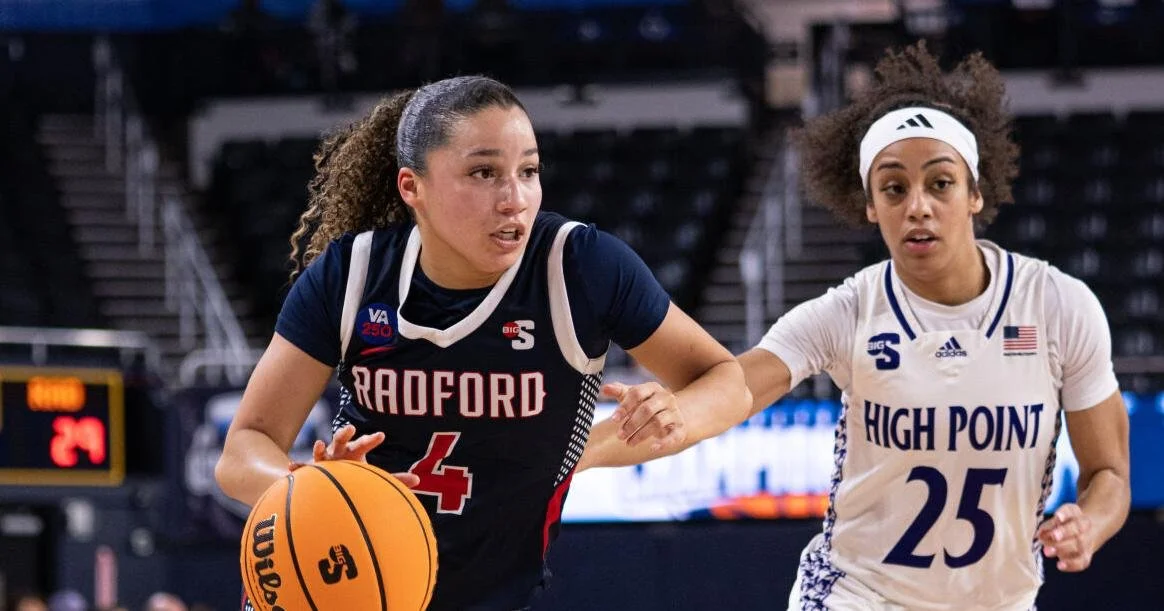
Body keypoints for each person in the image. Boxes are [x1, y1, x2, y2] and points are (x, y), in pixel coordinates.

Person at [215, 75, 751, 611]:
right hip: (332, 588)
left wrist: (676, 412)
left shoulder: (578, 267)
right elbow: (242, 450)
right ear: (412, 187)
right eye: (484, 173)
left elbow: (727, 382)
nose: (514, 199)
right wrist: (308, 489)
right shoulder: (352, 273)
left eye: (529, 171)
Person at [737, 42, 1130, 610]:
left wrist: (1089, 524)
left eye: (940, 183)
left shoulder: (1057, 306)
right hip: (858, 595)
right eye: (894, 188)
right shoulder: (849, 311)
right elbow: (737, 386)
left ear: (975, 193)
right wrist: (662, 405)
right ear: (871, 205)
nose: (917, 206)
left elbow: (1109, 473)